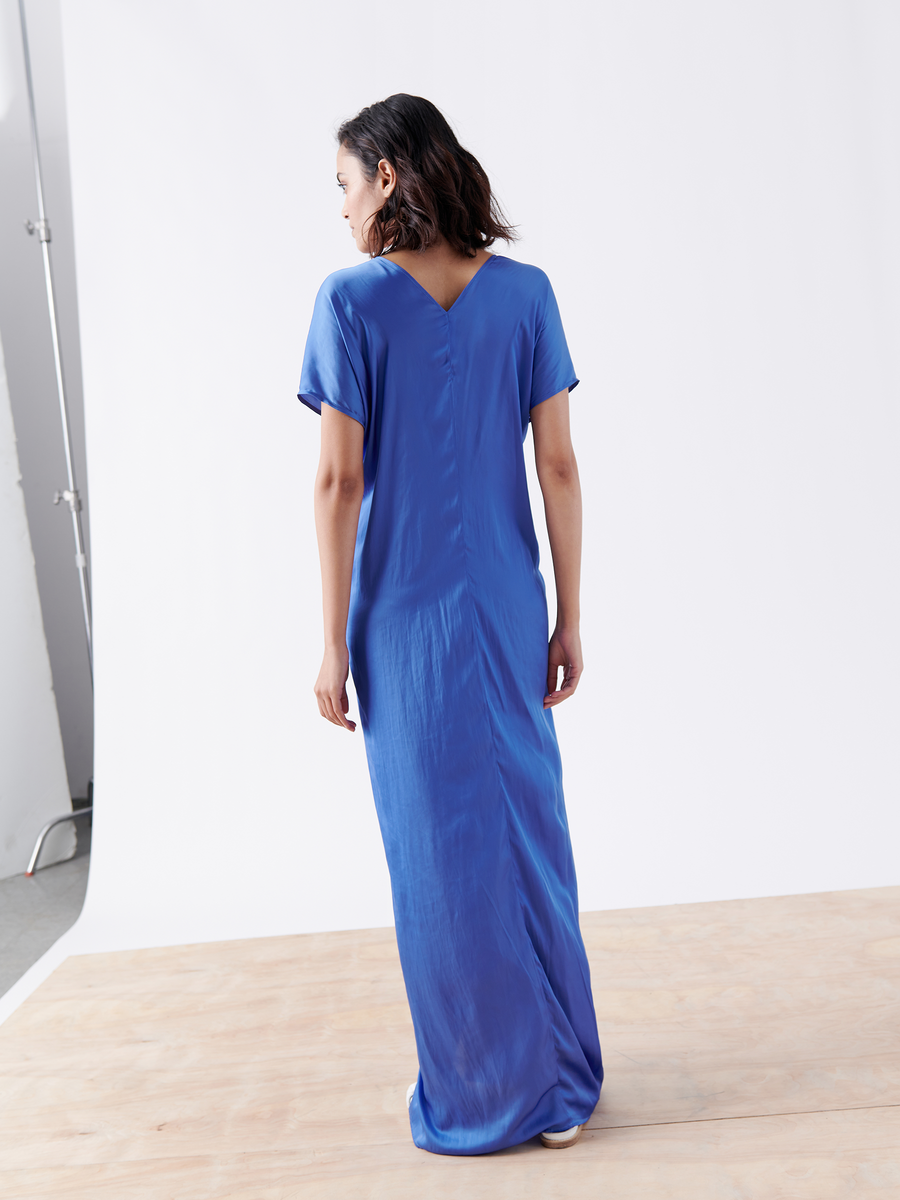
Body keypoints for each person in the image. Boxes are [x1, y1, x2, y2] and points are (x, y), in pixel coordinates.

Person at [297, 93, 603, 1156]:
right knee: (526, 839)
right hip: (508, 608)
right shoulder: (526, 295)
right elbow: (556, 464)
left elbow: (340, 482)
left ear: (386, 177)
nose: (339, 209)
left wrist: (330, 641)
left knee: (435, 857)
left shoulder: (350, 303)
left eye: (343, 183)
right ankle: (560, 1085)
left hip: (403, 623)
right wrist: (570, 612)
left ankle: (482, 1090)